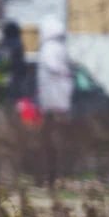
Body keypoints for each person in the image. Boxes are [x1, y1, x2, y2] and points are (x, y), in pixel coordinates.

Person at [37, 17, 73, 185]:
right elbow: (55, 68)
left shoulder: (49, 48)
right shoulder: (56, 48)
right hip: (56, 99)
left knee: (52, 136)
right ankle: (54, 176)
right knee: (54, 135)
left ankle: (52, 176)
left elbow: (52, 67)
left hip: (54, 99)